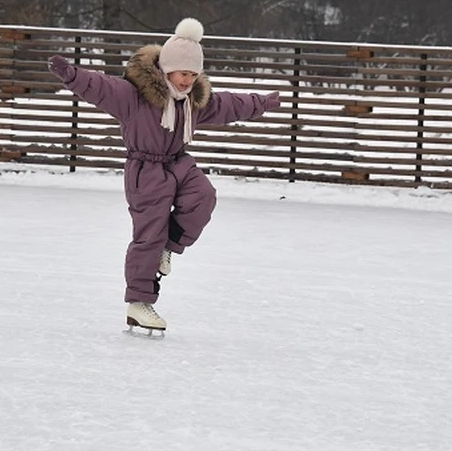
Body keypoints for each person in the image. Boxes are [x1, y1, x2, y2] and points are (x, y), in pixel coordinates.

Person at [47, 18, 281, 335]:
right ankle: (138, 303)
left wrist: (261, 103)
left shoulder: (194, 101)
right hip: (145, 172)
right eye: (183, 73)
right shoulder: (134, 96)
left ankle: (168, 247)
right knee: (148, 235)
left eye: (194, 74)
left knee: (203, 196)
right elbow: (101, 86)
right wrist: (72, 75)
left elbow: (229, 104)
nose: (187, 80)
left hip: (177, 163)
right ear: (168, 68)